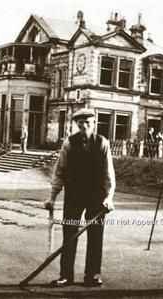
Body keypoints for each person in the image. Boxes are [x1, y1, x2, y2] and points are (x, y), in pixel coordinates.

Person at [44, 108, 116, 287]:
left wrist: (109, 197)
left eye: (88, 123)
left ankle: (92, 275)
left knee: (95, 235)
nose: (84, 126)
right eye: (80, 123)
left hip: (96, 196)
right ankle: (66, 275)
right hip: (74, 194)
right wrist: (52, 197)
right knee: (69, 233)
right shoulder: (69, 143)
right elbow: (59, 171)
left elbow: (109, 173)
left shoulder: (102, 143)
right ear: (76, 124)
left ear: (94, 123)